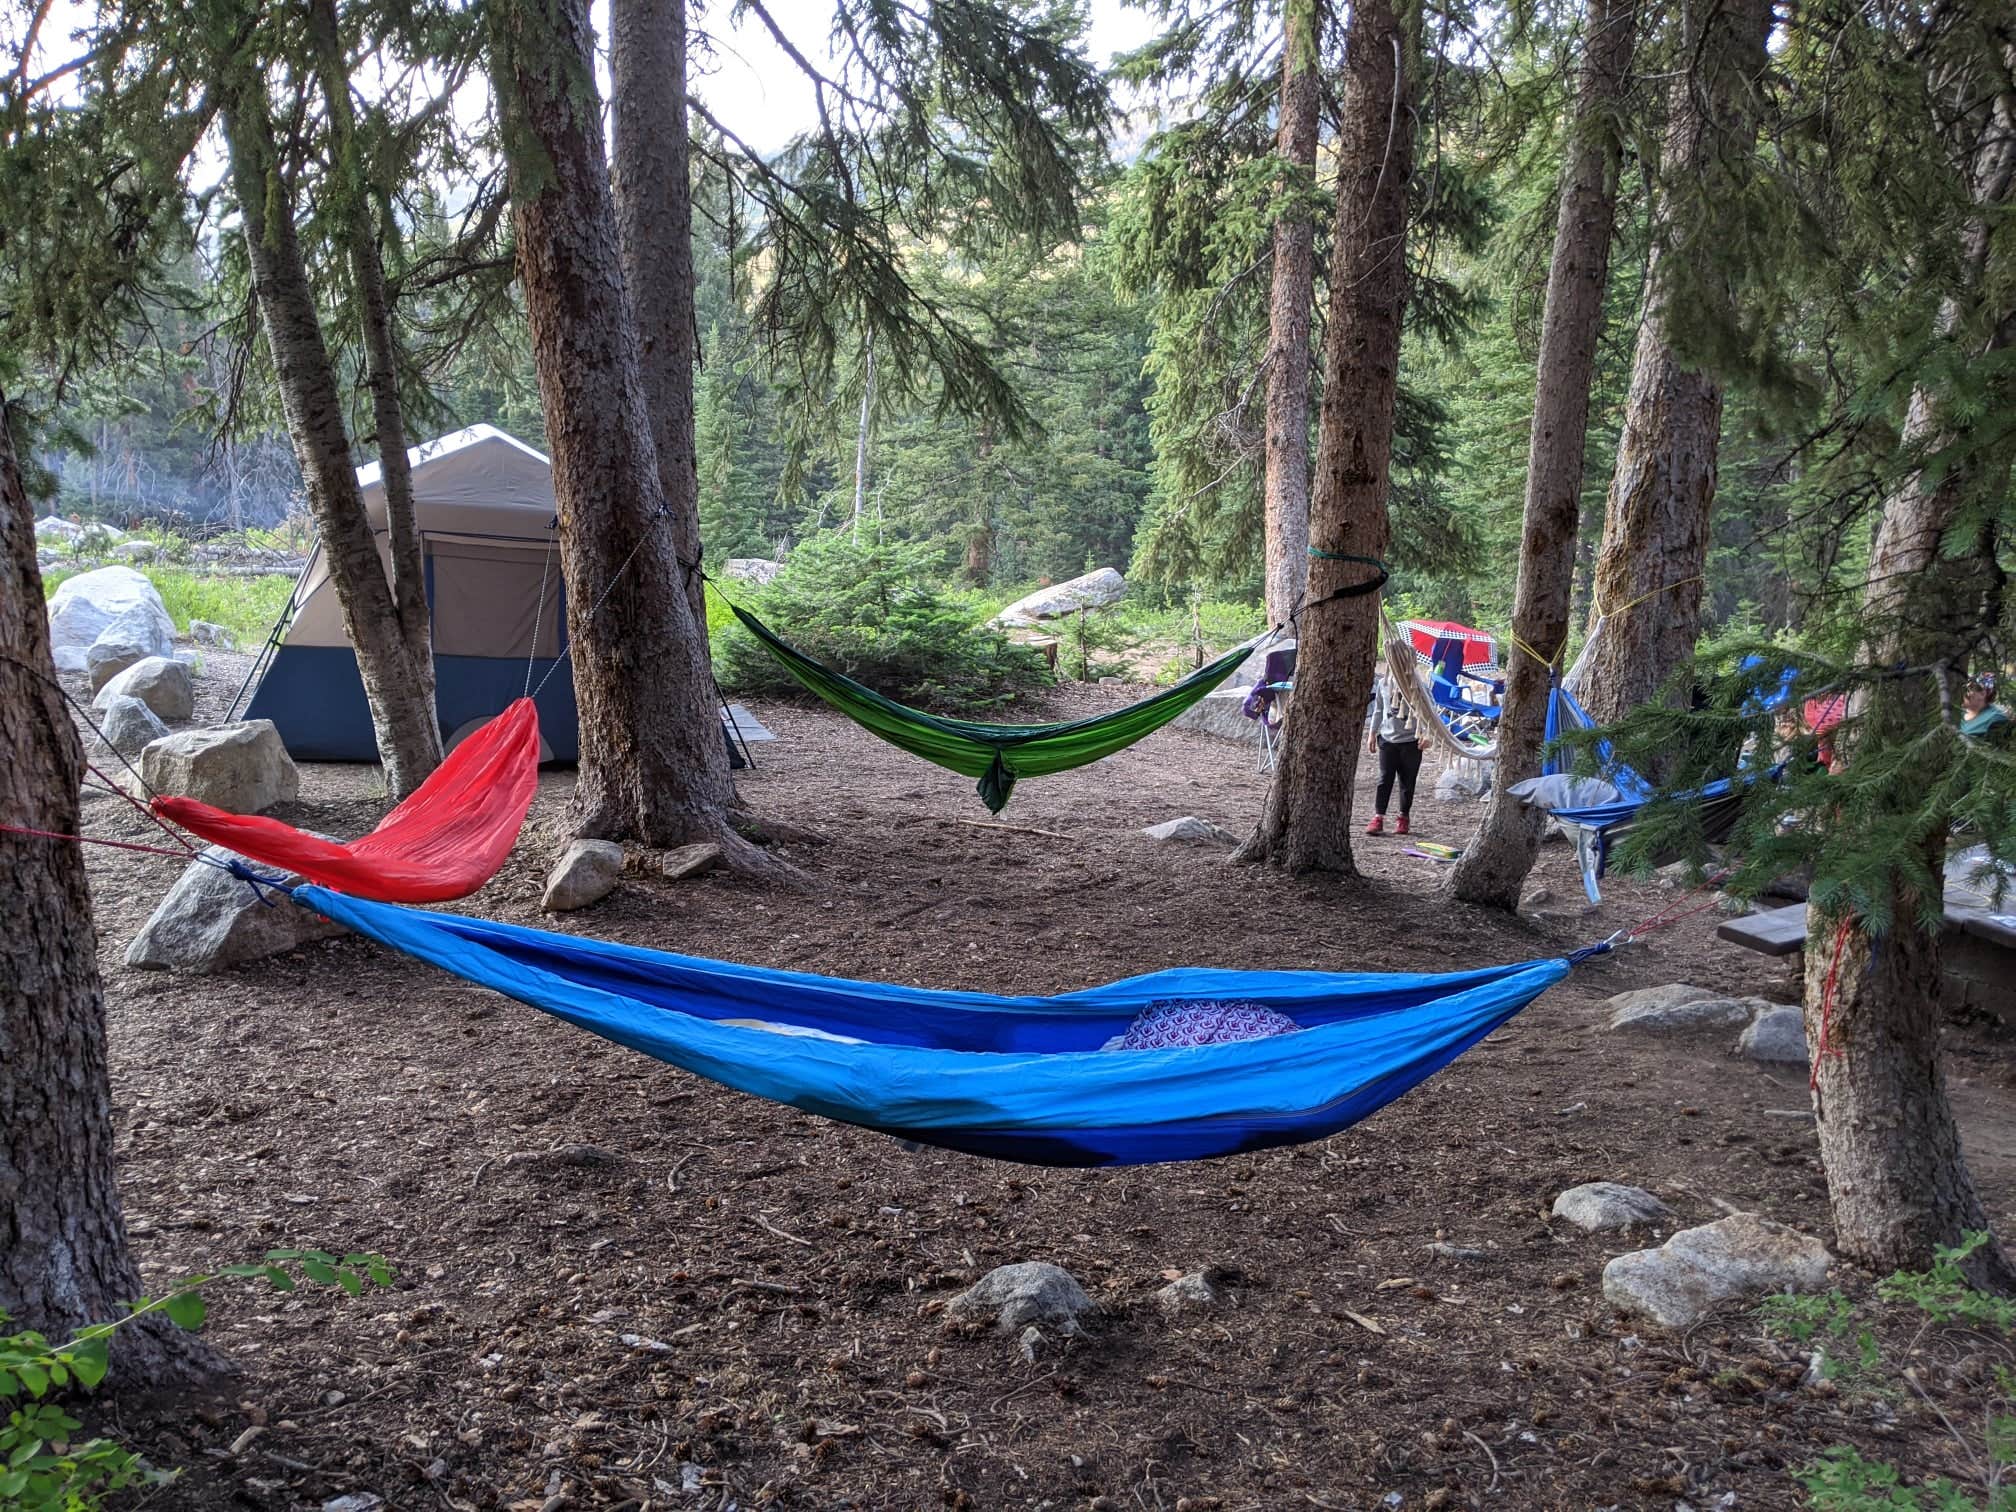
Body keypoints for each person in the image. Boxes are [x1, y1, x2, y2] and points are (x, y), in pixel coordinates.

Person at [1365, 668, 1421, 836]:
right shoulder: (1384, 683)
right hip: (1388, 739)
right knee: (1384, 779)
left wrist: (1427, 733)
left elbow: (1429, 711)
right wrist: (1372, 733)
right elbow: (1378, 710)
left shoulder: (1417, 685)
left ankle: (1403, 816)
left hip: (1411, 741)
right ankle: (1378, 817)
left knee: (1407, 781)